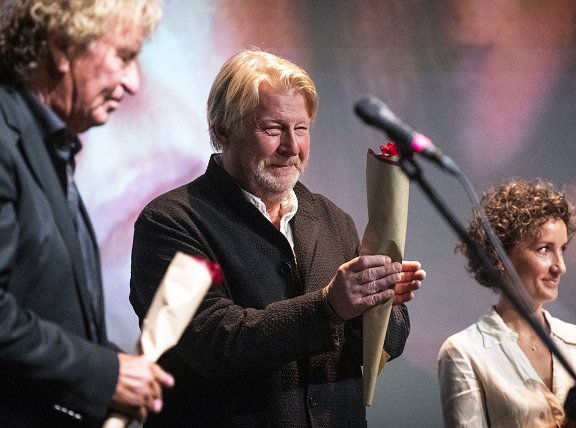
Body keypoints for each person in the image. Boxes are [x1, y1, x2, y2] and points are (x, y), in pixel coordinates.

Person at [129, 48, 425, 427]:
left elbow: (386, 346)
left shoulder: (333, 220)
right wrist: (329, 307)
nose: (291, 147)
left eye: (301, 129)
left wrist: (378, 304)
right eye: (272, 129)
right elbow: (214, 343)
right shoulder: (171, 222)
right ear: (222, 129)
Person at [0, 0, 174, 425]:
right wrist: (104, 373)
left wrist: (112, 370)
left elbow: (41, 308)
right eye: (125, 56)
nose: (132, 83)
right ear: (61, 46)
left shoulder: (43, 141)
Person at [437, 178, 576, 427]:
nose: (560, 267)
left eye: (562, 249)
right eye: (544, 249)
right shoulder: (463, 352)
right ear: (497, 256)